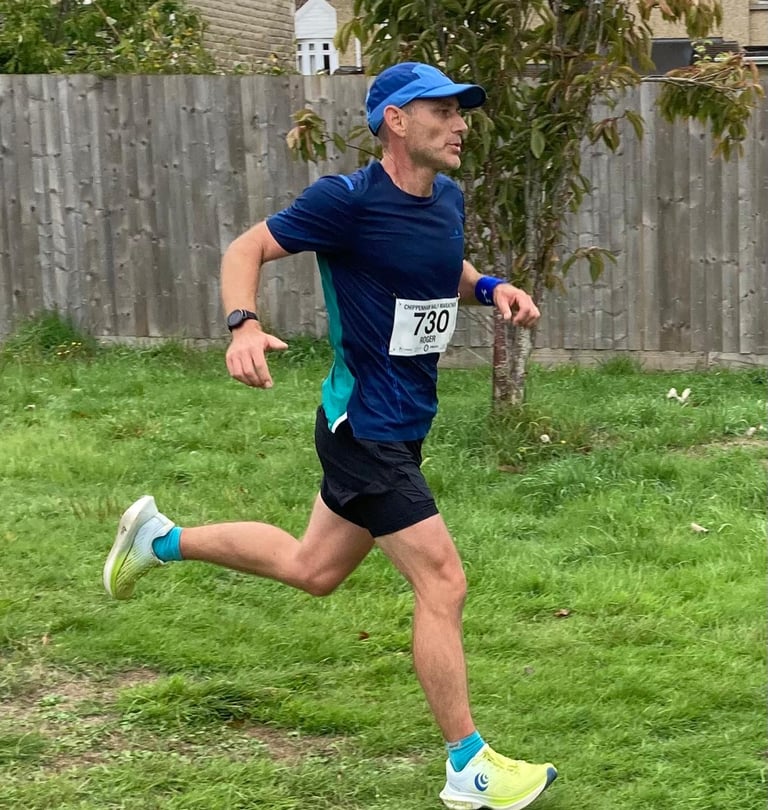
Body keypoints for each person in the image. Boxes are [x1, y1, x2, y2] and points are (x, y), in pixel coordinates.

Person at [103, 62, 557, 810]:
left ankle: (158, 538)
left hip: (404, 425)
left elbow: (441, 266)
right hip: (362, 427)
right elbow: (245, 249)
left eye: (462, 111)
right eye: (442, 110)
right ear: (396, 121)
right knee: (443, 581)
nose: (461, 123)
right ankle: (467, 766)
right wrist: (242, 324)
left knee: (312, 568)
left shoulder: (447, 199)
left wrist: (488, 287)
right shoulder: (344, 201)